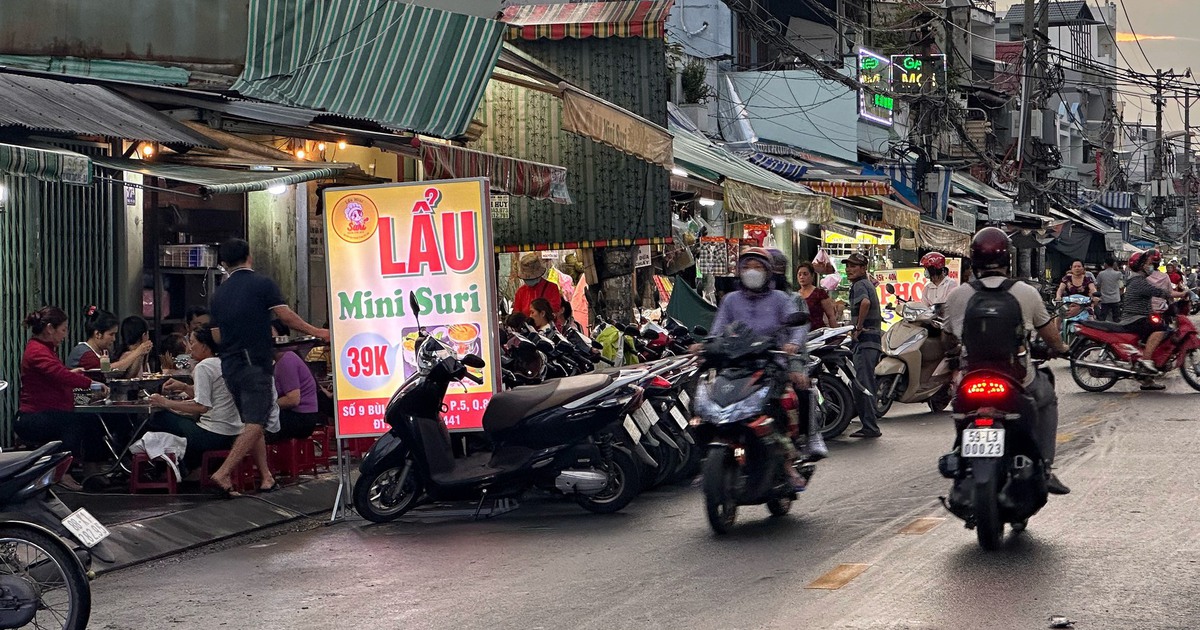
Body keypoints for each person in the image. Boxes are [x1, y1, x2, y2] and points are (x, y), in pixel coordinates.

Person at [942, 228, 1071, 495]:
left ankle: (961, 452)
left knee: (960, 409)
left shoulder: (957, 295)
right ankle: (1045, 468)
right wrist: (1060, 349)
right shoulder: (1025, 292)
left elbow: (947, 340)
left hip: (970, 378)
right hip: (1017, 377)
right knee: (1047, 401)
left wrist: (955, 352)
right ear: (1008, 260)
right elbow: (1051, 337)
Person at [207, 238, 328, 497]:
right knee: (257, 421)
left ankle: (266, 477)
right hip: (255, 363)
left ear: (225, 264)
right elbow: (285, 316)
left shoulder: (218, 295)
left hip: (229, 365)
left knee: (252, 421)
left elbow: (216, 337)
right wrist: (316, 331)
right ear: (249, 257)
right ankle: (223, 472)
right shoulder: (262, 284)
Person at [700, 247, 820, 486]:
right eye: (747, 267)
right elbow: (717, 330)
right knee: (707, 405)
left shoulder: (781, 299)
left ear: (768, 272)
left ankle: (788, 461)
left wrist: (793, 345)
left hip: (770, 366)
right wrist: (704, 347)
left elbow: (798, 327)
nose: (751, 272)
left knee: (783, 405)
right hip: (735, 367)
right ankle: (707, 461)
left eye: (757, 267)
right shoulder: (731, 300)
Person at [15, 306, 109, 490]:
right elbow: (59, 375)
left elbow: (56, 373)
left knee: (91, 419)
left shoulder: (45, 349)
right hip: (32, 416)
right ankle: (61, 473)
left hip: (46, 411)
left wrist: (71, 372)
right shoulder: (37, 351)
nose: (65, 334)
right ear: (50, 328)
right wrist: (91, 384)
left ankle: (92, 469)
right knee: (71, 423)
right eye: (63, 330)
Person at [148, 325, 244, 472]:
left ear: (204, 346)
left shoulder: (203, 366)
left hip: (212, 435)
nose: (190, 348)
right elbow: (213, 395)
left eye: (192, 343)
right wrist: (185, 387)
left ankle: (157, 467)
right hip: (233, 433)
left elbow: (202, 406)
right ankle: (180, 468)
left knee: (159, 417)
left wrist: (165, 402)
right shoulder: (224, 362)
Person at [1121, 251, 1187, 388]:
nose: (1150, 266)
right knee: (1160, 330)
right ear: (1140, 266)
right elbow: (1159, 292)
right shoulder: (1138, 281)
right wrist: (1182, 294)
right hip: (1134, 319)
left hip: (1142, 316)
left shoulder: (1139, 279)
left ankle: (1147, 380)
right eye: (1148, 264)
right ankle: (1146, 361)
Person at [845, 252, 883, 439]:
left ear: (863, 268)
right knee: (864, 382)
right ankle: (868, 422)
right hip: (872, 341)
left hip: (867, 340)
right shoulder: (866, 283)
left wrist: (858, 327)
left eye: (853, 266)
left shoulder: (860, 285)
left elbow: (865, 303)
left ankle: (870, 426)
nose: (849, 269)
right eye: (848, 266)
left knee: (863, 383)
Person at [268, 321, 321, 444]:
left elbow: (293, 399)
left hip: (301, 419)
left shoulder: (286, 360)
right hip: (299, 416)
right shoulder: (280, 361)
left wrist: (266, 406)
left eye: (269, 334)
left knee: (256, 426)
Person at [66, 307, 152, 376]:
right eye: (111, 334)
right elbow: (108, 371)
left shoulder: (103, 351)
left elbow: (124, 375)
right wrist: (137, 352)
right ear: (98, 334)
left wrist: (141, 354)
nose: (114, 339)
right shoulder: (84, 354)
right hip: (81, 397)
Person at [513, 253, 562, 321]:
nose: (528, 280)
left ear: (538, 275)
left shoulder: (552, 288)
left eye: (531, 278)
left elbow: (555, 310)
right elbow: (516, 313)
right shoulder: (520, 292)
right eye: (526, 279)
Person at [796, 262, 838, 330]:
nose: (802, 277)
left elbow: (831, 316)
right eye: (799, 274)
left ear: (812, 276)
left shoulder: (820, 293)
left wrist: (836, 333)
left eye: (805, 274)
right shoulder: (795, 295)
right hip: (801, 334)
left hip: (817, 334)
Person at [1095, 258, 1123, 322]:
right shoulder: (1118, 274)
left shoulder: (1101, 274)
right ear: (1113, 264)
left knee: (1102, 318)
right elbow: (1121, 285)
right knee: (1116, 317)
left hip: (1105, 299)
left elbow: (1097, 284)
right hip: (1115, 299)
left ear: (1105, 264)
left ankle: (1101, 330)